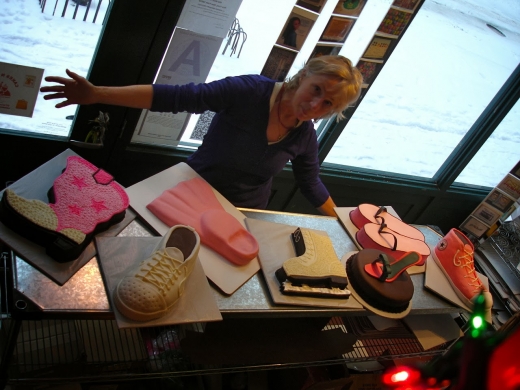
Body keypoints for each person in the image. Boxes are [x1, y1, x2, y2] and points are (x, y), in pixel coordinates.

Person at [39, 55, 363, 217]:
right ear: (304, 75)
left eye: (328, 104)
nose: (315, 104)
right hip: (190, 193)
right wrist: (98, 94)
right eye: (316, 89)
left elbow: (311, 182)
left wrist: (341, 222)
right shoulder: (249, 91)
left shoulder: (304, 136)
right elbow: (176, 97)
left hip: (241, 214)